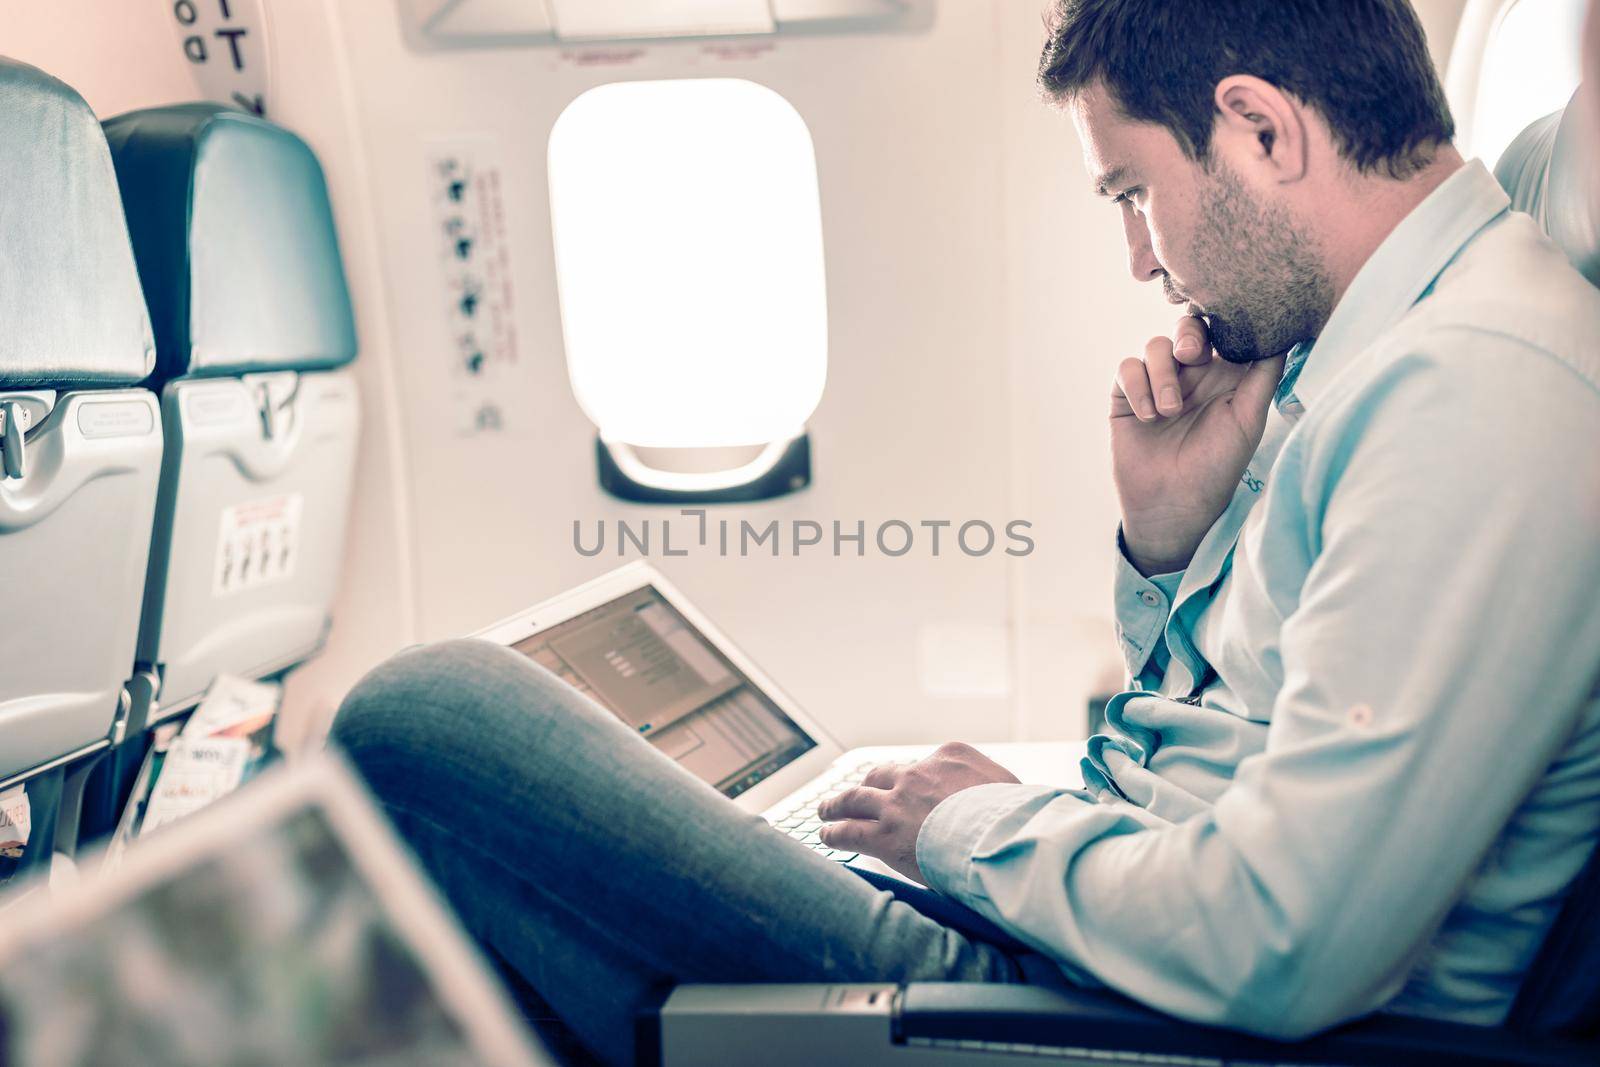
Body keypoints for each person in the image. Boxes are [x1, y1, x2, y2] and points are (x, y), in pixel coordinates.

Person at [331, 2, 1600, 1063]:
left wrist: (969, 828)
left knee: (425, 721)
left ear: (1261, 128)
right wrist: (1168, 549)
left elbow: (1286, 940)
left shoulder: (1474, 386)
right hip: (1105, 949)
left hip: (1157, 1026)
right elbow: (1230, 737)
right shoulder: (1373, 343)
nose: (1140, 262)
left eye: (1132, 193)